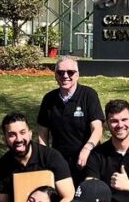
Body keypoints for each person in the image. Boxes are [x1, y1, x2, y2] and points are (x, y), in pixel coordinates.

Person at [37, 56, 104, 185]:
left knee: (87, 195)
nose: (65, 76)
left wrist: (86, 150)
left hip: (88, 157)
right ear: (55, 75)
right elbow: (42, 134)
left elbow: (97, 129)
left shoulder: (88, 95)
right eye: (60, 72)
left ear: (77, 75)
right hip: (60, 159)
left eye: (70, 72)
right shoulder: (49, 99)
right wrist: (45, 157)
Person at [0, 112, 74, 202]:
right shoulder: (2, 166)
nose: (19, 139)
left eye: (22, 132)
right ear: (4, 139)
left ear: (30, 134)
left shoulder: (51, 157)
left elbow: (68, 197)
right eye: (12, 135)